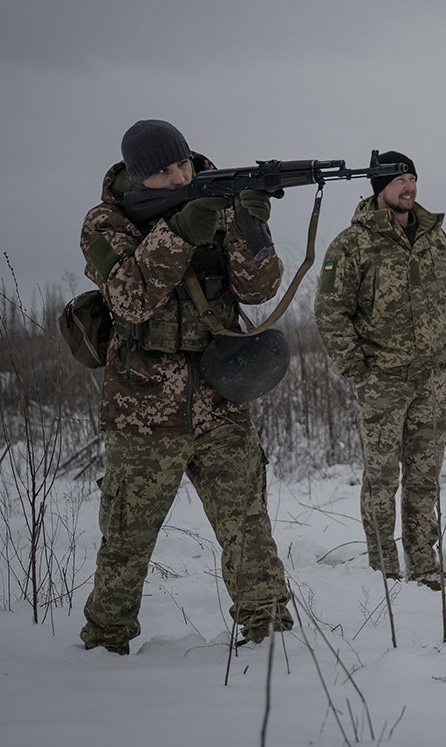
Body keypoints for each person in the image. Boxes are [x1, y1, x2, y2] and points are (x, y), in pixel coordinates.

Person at [78, 120, 293, 654]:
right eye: (166, 172)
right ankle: (106, 643)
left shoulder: (215, 197)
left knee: (247, 523)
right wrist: (181, 231)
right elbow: (130, 300)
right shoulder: (104, 223)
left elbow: (259, 288)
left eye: (182, 165)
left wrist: (249, 226)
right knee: (128, 537)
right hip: (144, 406)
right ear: (137, 177)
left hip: (222, 395)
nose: (180, 175)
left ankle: (269, 635)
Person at [313, 151, 446, 589]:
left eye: (413, 178)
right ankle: (383, 570)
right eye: (400, 179)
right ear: (379, 187)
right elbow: (330, 311)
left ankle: (425, 565)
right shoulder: (352, 244)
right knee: (381, 480)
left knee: (424, 478)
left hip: (433, 380)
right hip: (382, 381)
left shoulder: (437, 240)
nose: (409, 187)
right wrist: (357, 370)